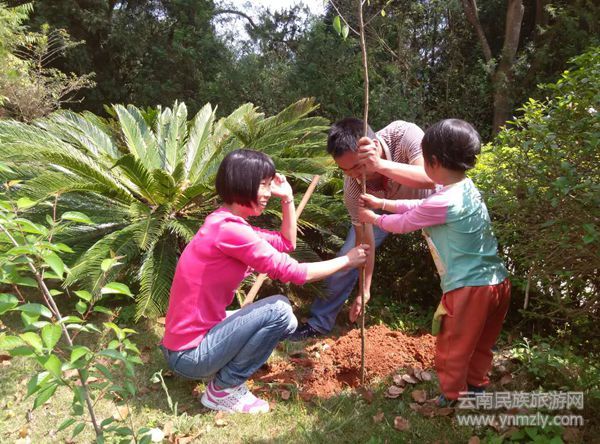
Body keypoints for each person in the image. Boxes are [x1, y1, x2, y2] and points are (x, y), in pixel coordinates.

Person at [160, 149, 369, 414]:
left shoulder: (224, 222)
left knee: (286, 319)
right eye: (264, 185)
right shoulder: (231, 231)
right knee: (279, 310)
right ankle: (223, 389)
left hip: (185, 347)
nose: (269, 193)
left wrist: (288, 199)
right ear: (242, 182)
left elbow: (286, 243)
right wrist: (348, 260)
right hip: (190, 356)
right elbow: (296, 273)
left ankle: (221, 373)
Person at [357, 118, 510, 405]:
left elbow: (405, 223)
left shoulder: (443, 201)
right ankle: (476, 386)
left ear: (434, 161)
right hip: (497, 283)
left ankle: (452, 397)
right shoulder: (463, 187)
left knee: (453, 345)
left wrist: (374, 219)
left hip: (469, 289)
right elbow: (422, 206)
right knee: (481, 343)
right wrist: (383, 204)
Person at [290, 117, 434, 341]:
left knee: (450, 264)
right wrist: (364, 290)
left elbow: (430, 178)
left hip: (430, 204)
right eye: (345, 170)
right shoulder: (354, 189)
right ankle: (319, 322)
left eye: (358, 166)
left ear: (374, 147)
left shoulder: (404, 134)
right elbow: (364, 245)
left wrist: (380, 166)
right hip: (380, 209)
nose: (355, 175)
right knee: (349, 254)